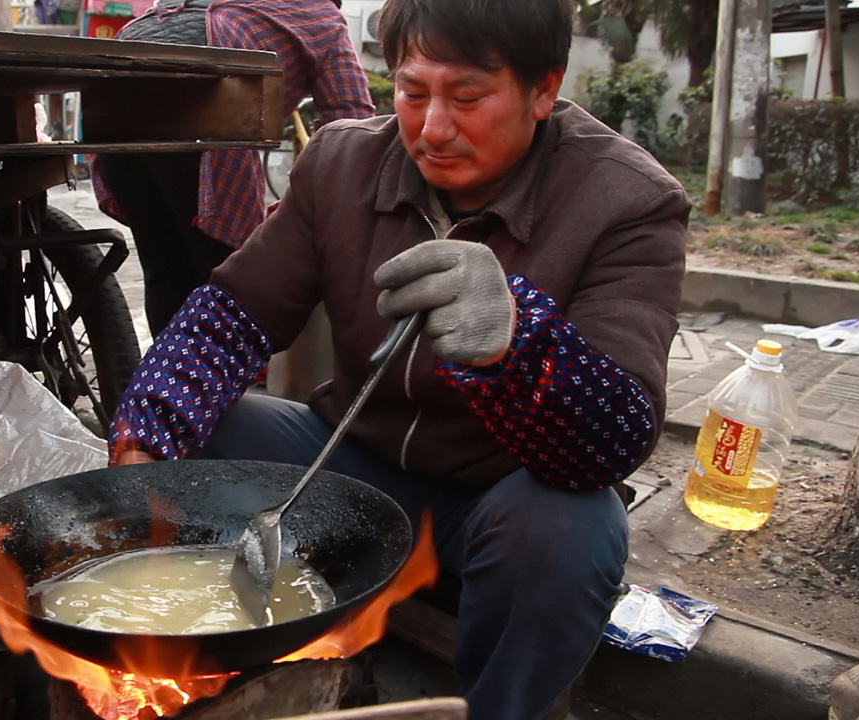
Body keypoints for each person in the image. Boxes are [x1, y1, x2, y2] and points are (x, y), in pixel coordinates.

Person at [106, 0, 691, 716]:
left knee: (575, 529)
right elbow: (231, 317)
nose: (433, 128)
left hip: (497, 496)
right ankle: (225, 664)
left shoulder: (628, 201)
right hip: (353, 463)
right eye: (413, 92)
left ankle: (499, 707)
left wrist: (520, 341)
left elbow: (618, 436)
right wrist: (142, 443)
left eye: (468, 97)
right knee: (210, 430)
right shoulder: (343, 161)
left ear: (544, 89)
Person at [90, 0, 375, 335]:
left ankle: (168, 384)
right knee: (223, 271)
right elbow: (354, 119)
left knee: (164, 270)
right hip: (200, 73)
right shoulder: (322, 14)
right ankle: (214, 381)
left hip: (118, 69)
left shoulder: (251, 7)